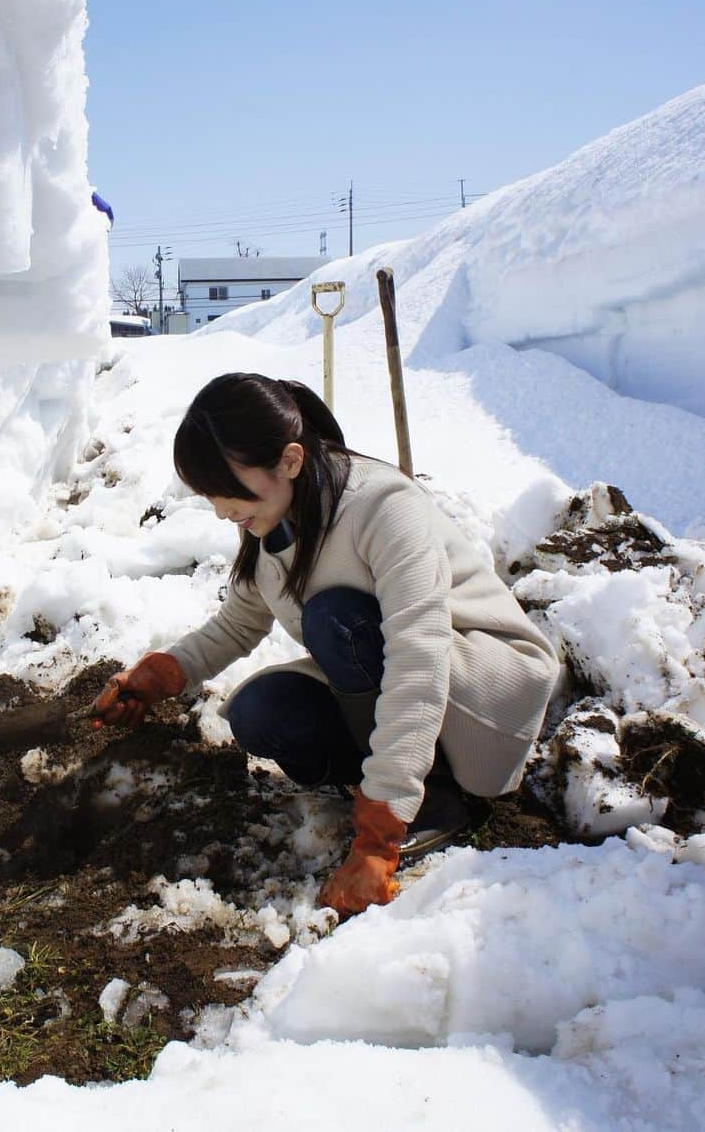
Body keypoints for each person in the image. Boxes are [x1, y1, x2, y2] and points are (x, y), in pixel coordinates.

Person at [92, 373, 559, 918]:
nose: (222, 511)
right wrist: (161, 675)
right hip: (398, 675)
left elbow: (417, 659)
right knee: (259, 712)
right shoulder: (270, 514)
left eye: (228, 492)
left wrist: (379, 837)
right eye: (211, 496)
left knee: (334, 620)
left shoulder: (383, 507)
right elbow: (240, 622)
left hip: (484, 692)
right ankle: (395, 780)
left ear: (289, 460)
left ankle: (423, 798)